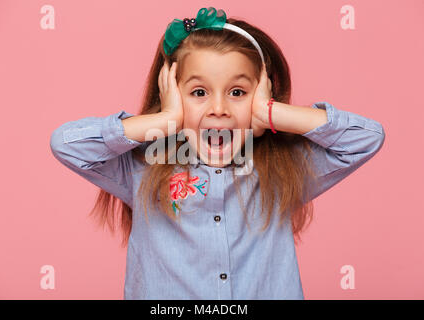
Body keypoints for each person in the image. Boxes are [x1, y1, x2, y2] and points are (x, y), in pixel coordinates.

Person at [50, 7, 385, 299]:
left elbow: (366, 138)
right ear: (171, 94)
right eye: (199, 92)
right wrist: (165, 120)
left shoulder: (285, 171)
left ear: (262, 95)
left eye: (238, 92)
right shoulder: (141, 169)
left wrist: (272, 114)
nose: (220, 108)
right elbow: (66, 143)